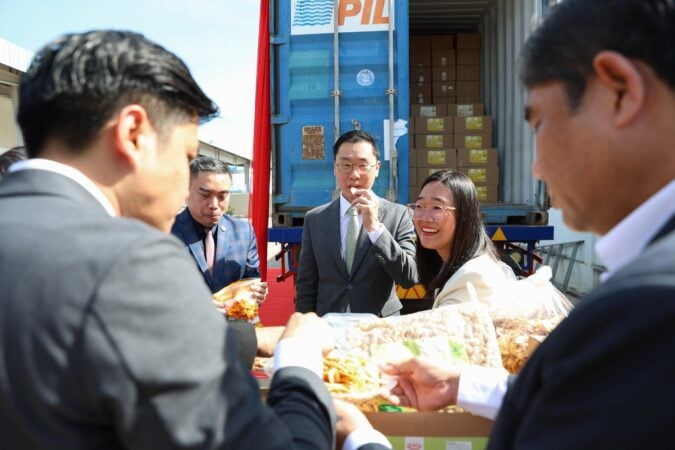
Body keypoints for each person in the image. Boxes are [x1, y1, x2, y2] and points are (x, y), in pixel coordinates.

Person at [0, 29, 388, 449]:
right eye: (185, 159)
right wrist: (302, 364)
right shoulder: (129, 261)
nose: (185, 189)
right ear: (133, 133)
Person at [380, 1, 675, 448]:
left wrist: (364, 441)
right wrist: (464, 385)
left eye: (540, 121)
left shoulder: (648, 305)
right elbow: (582, 399)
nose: (536, 167)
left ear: (619, 92)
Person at [295, 130, 417, 316]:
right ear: (335, 169)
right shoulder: (315, 218)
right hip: (329, 324)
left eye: (362, 165)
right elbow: (306, 283)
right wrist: (304, 324)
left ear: (377, 168)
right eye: (346, 165)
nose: (354, 174)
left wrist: (375, 229)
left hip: (379, 325)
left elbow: (409, 277)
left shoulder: (399, 215)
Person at [409, 169, 515, 309]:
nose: (424, 217)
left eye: (436, 207)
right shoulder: (447, 265)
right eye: (419, 206)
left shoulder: (472, 279)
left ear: (464, 215)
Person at [171, 156, 268, 304]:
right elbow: (153, 293)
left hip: (233, 325)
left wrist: (257, 293)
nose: (214, 205)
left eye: (222, 196)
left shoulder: (243, 232)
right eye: (205, 195)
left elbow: (251, 280)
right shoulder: (166, 233)